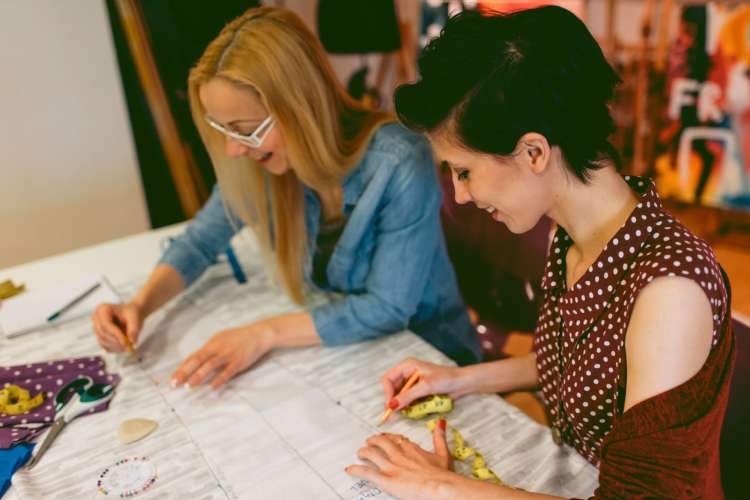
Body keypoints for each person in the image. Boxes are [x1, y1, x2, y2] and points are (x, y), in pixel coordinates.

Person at [346, 6, 734, 498]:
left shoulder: (669, 291)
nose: (460, 195)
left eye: (463, 170)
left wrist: (439, 487)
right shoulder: (572, 233)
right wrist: (458, 379)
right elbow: (572, 364)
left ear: (534, 152)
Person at [91, 6, 480, 389]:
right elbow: (199, 242)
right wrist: (139, 305)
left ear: (299, 107)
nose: (233, 150)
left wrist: (263, 334)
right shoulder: (263, 163)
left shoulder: (398, 160)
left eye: (244, 130)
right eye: (223, 130)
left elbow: (387, 308)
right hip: (355, 356)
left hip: (432, 361)